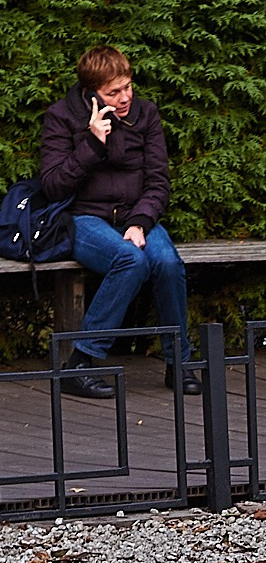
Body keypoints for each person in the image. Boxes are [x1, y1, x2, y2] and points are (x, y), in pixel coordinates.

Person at [39, 46, 198, 398]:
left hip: (134, 216)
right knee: (130, 261)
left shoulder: (146, 114)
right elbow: (52, 186)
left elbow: (158, 181)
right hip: (84, 218)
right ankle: (80, 363)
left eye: (128, 87)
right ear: (92, 91)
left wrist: (140, 222)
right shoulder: (62, 116)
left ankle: (179, 363)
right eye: (114, 92)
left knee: (168, 263)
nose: (125, 97)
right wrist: (92, 143)